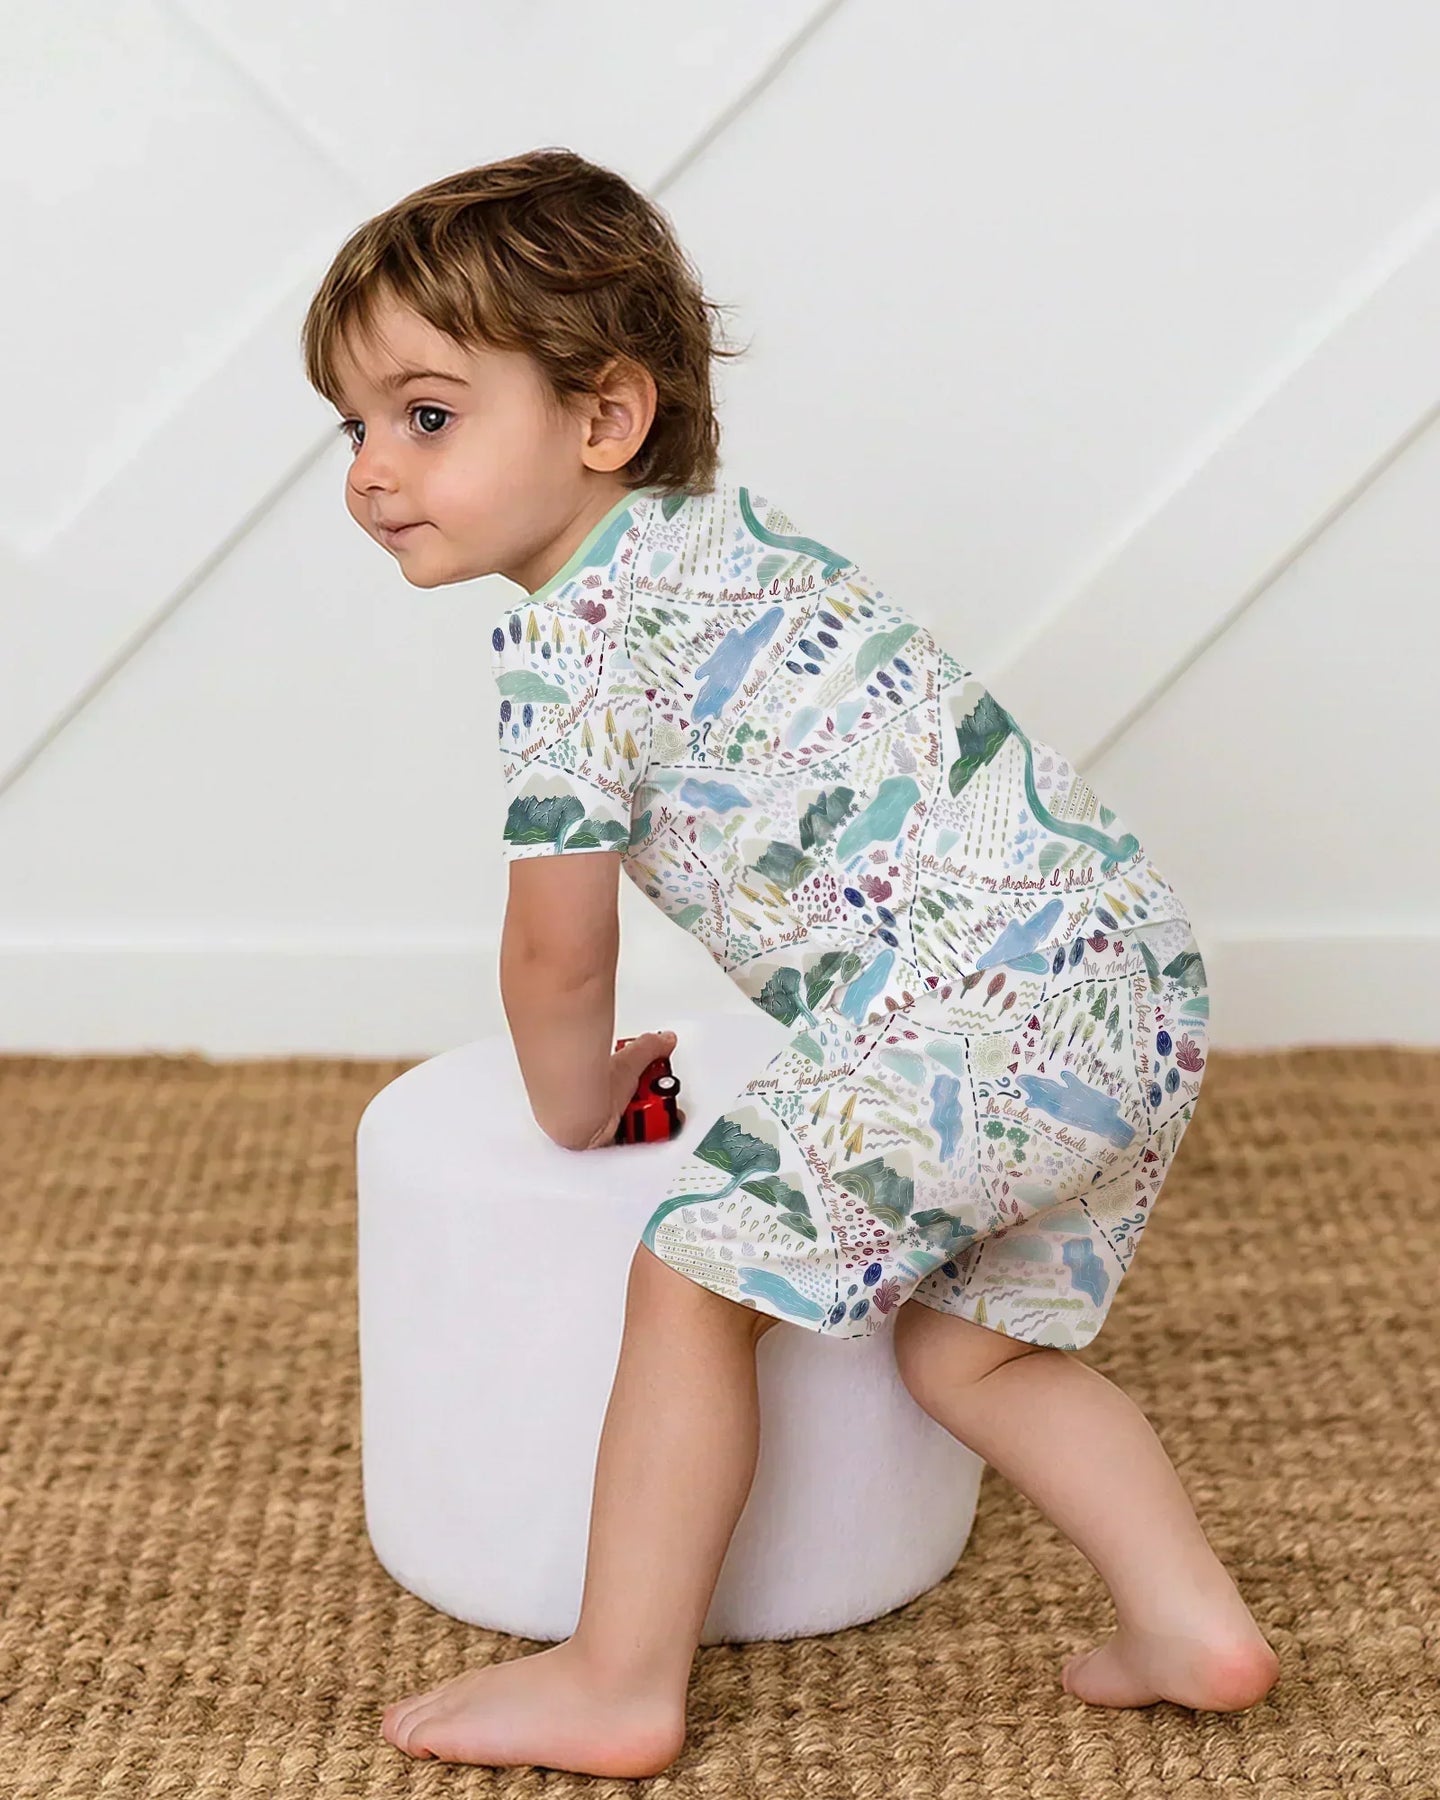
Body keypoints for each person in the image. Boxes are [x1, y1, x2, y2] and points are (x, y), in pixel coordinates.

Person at [301, 147, 1280, 1774]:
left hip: (968, 1005)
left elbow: (557, 947)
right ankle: (1191, 1619)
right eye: (354, 428)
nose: (372, 472)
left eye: (426, 415)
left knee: (689, 1282)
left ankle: (621, 1676)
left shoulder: (572, 641)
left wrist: (577, 1102)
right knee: (971, 1346)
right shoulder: (732, 546)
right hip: (1128, 972)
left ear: (606, 418)